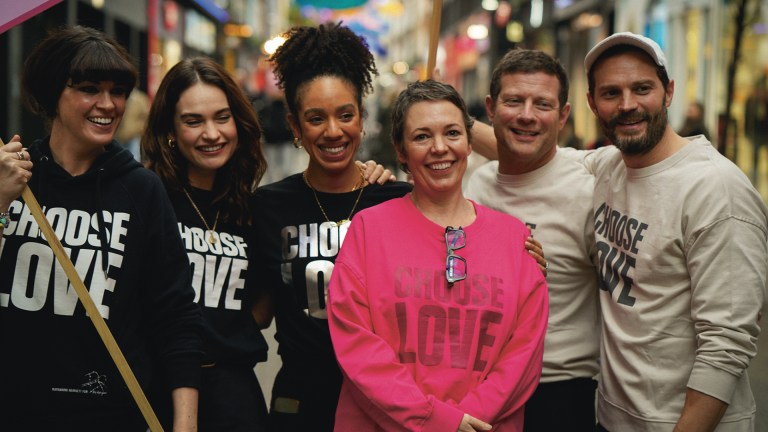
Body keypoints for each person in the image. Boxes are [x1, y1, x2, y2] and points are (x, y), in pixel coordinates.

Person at [0, 25, 202, 431]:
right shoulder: (11, 178)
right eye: (90, 88)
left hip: (110, 415)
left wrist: (185, 425)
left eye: (118, 91)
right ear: (52, 94)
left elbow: (175, 317)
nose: (108, 104)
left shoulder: (142, 190)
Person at [327, 79, 548, 431]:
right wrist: (438, 420)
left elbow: (524, 353)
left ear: (469, 143)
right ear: (400, 150)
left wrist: (467, 420)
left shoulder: (515, 238)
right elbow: (357, 345)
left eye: (452, 133)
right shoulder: (368, 230)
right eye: (422, 136)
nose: (440, 148)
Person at [583, 32, 767, 431]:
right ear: (592, 103)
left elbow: (727, 344)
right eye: (611, 92)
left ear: (668, 92)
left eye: (642, 88)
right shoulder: (607, 166)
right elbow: (531, 153)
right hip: (611, 418)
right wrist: (453, 119)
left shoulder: (716, 189)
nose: (628, 104)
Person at [250, 22, 414, 432]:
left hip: (384, 404)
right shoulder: (269, 206)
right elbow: (257, 313)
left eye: (346, 115)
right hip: (298, 405)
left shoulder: (396, 200)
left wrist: (522, 252)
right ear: (295, 128)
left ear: (361, 118)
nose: (334, 131)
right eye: (316, 119)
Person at [465, 48, 600, 432]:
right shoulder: (476, 182)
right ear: (491, 108)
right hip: (479, 390)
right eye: (514, 101)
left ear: (563, 115)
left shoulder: (588, 190)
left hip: (559, 393)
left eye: (542, 104)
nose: (526, 115)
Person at [142, 56, 270, 431]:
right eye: (193, 121)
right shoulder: (148, 196)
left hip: (234, 392)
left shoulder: (253, 207)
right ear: (170, 129)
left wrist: (226, 329)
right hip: (157, 386)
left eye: (222, 117)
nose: (211, 134)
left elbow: (264, 301)